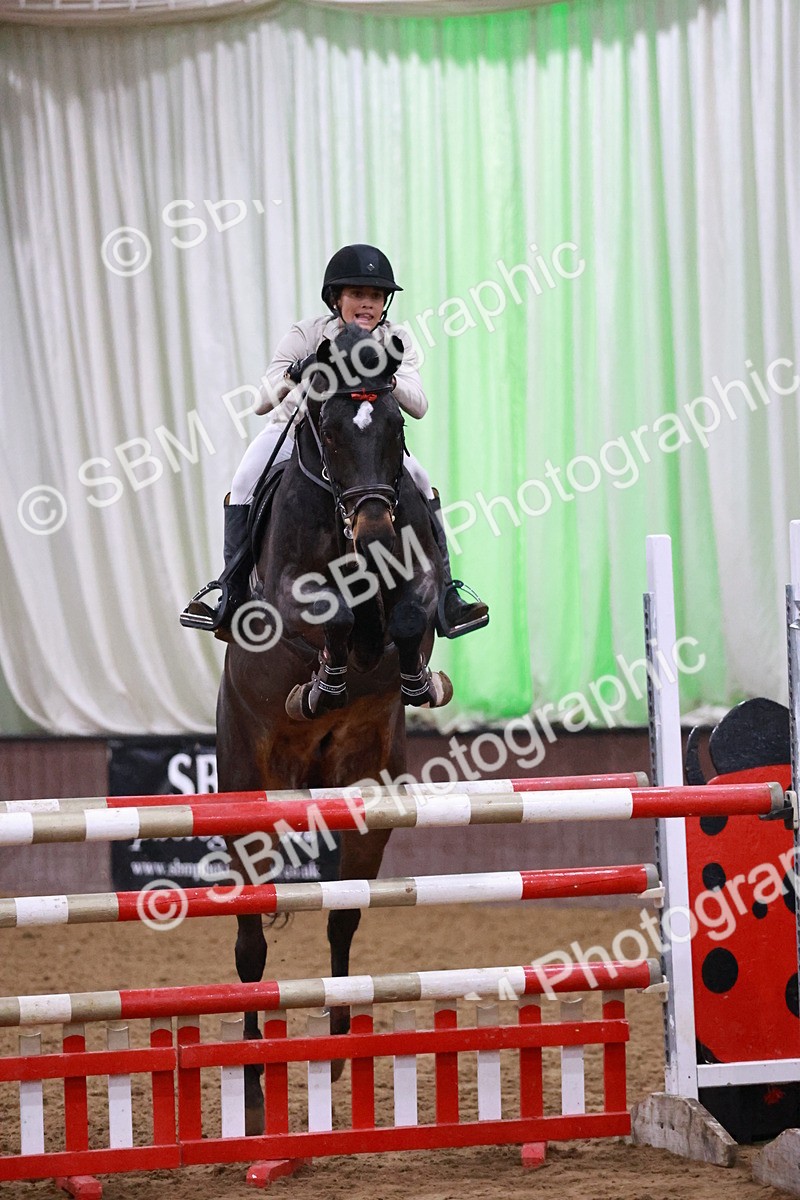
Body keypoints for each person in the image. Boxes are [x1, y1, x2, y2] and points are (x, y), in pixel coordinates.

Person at [181, 244, 488, 639]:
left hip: (364, 442)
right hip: (294, 428)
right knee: (243, 482)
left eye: (376, 295)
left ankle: (446, 596)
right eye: (357, 294)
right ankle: (231, 593)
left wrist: (386, 375)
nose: (368, 304)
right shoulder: (307, 333)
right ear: (335, 299)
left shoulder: (396, 338)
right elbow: (260, 402)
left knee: (422, 479)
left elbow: (419, 405)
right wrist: (296, 371)